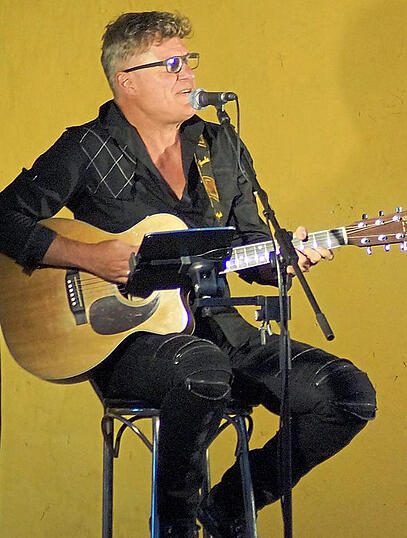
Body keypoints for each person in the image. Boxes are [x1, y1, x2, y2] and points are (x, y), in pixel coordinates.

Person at [0, 11, 376, 538]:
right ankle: (173, 526)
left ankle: (226, 507)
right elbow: (5, 219)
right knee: (200, 368)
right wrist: (88, 257)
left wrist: (288, 256)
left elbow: (249, 245)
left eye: (189, 61)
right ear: (126, 80)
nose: (189, 75)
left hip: (221, 328)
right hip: (128, 345)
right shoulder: (86, 148)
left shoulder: (218, 146)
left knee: (347, 394)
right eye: (172, 64)